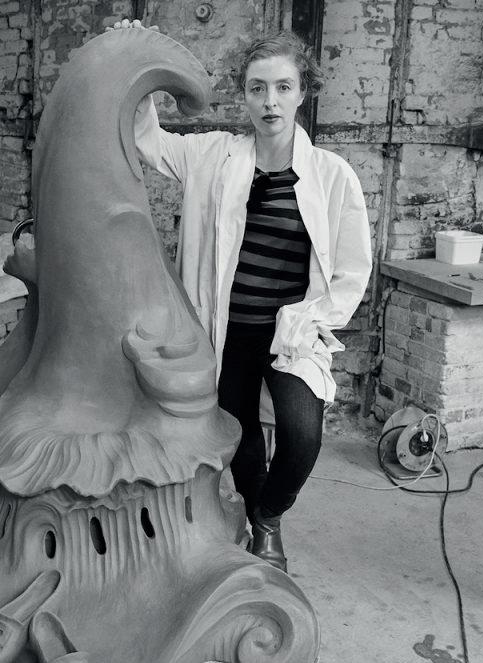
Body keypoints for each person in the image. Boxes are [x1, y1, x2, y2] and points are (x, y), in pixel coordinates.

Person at [121, 19, 372, 571]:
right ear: (244, 95)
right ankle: (264, 531)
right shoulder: (215, 156)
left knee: (302, 437)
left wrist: (316, 319)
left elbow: (353, 269)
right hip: (228, 330)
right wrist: (135, 58)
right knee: (239, 435)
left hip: (290, 335)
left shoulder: (332, 176)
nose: (270, 101)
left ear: (303, 93)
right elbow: (151, 142)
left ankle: (269, 512)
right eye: (258, 88)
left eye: (283, 87)